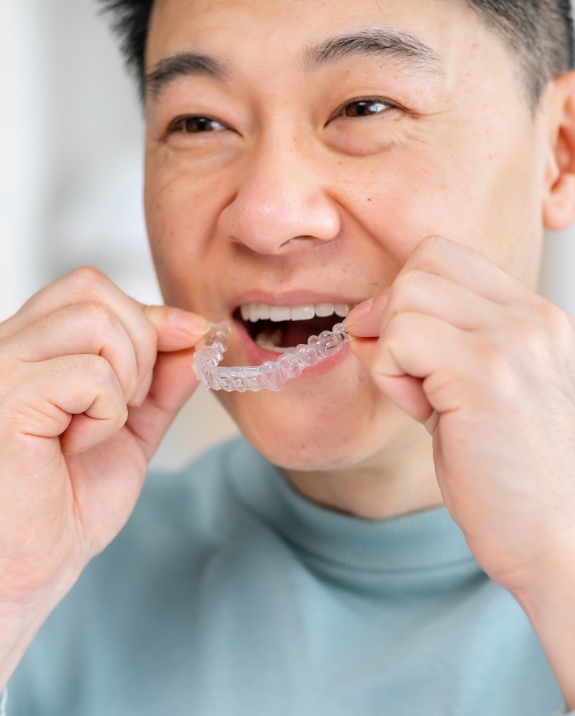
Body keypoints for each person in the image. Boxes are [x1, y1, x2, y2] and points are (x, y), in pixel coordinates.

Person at [2, 0, 575, 713]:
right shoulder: (45, 566)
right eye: (198, 123)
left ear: (557, 151)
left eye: (364, 107)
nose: (265, 218)